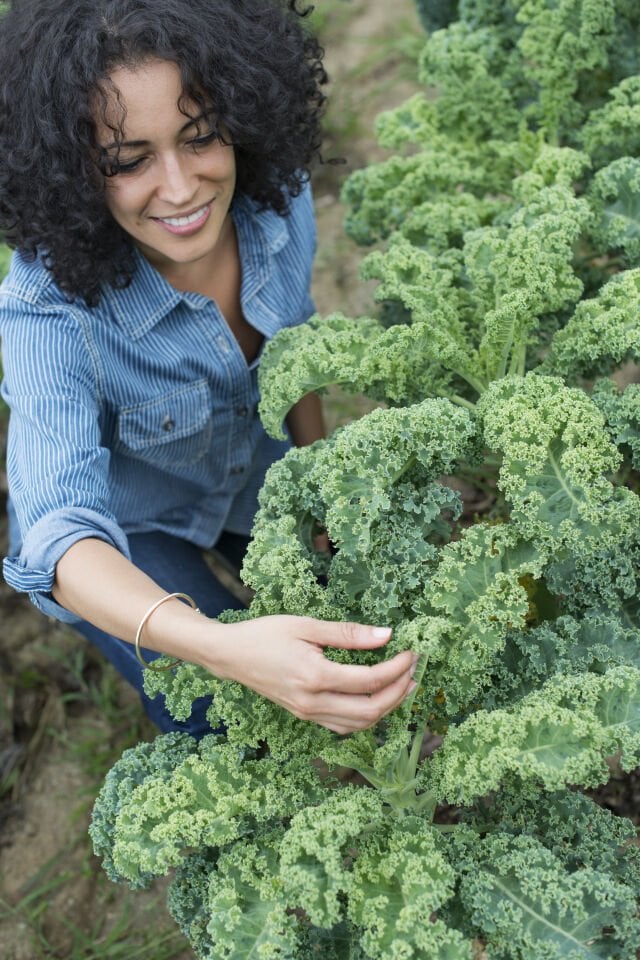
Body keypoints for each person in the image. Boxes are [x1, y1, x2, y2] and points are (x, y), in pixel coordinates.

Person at [0, 0, 417, 738]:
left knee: (373, 607)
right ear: (70, 171)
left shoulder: (273, 199)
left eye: (201, 137)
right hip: (132, 529)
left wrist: (318, 473)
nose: (183, 187)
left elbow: (294, 349)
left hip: (256, 472)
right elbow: (60, 538)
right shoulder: (47, 309)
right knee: (221, 713)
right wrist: (224, 648)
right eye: (127, 162)